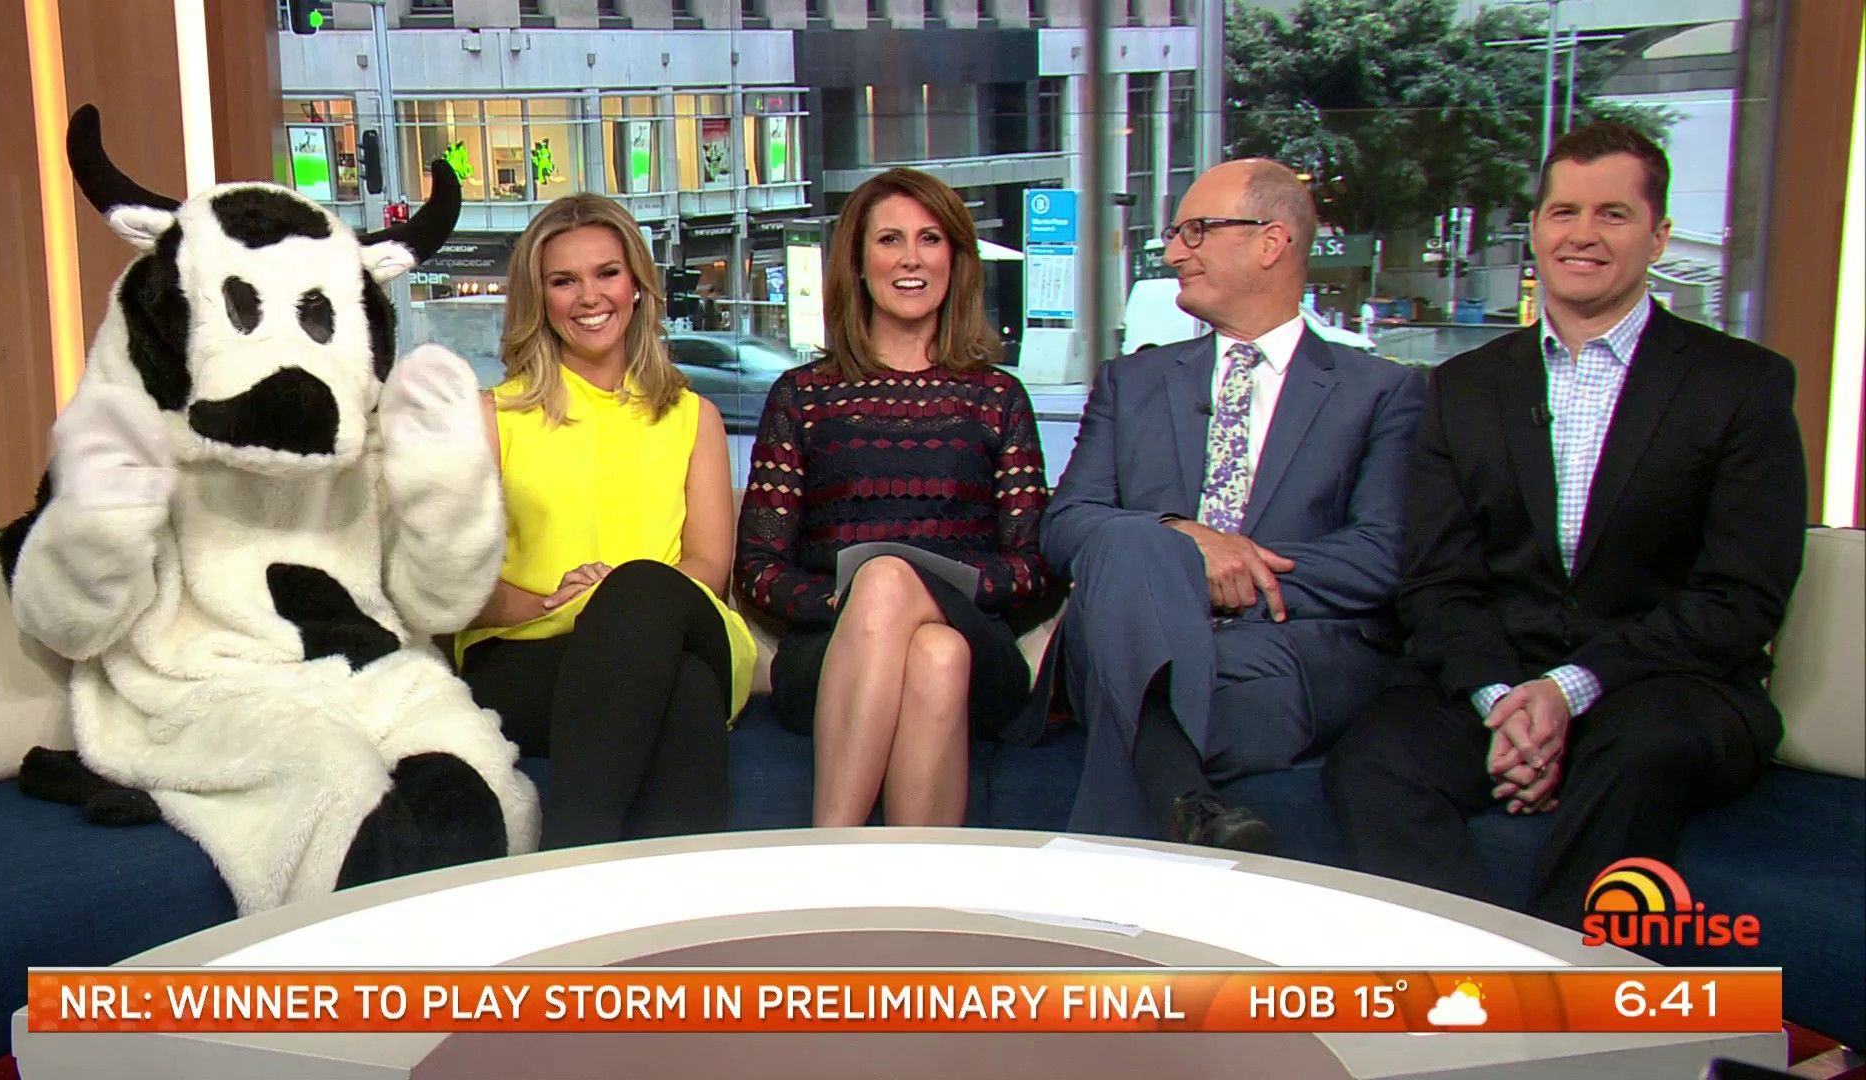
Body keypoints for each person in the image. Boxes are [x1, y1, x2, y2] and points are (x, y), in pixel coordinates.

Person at [1323, 123, 1807, 928]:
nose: (1583, 234)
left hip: (1664, 687)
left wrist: (1569, 690)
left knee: (1641, 752)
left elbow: (1740, 597)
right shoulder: (1462, 387)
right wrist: (1505, 701)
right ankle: (1465, 983)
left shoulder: (1741, 385)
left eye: (1613, 214)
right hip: (1500, 677)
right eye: (1564, 212)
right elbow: (1438, 581)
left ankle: (1561, 996)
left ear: (1658, 236)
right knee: (1377, 759)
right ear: (1537, 229)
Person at [1024, 158, 1425, 849]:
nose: (1174, 253)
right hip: (1126, 631)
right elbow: (1065, 525)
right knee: (1134, 541)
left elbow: (1379, 555)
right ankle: (1187, 809)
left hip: (1282, 648)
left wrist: (1233, 571)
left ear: (1271, 242)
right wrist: (1183, 544)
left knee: (1144, 684)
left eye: (1197, 231)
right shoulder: (1131, 382)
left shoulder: (1382, 391)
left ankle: (1162, 814)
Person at [734, 167, 1050, 827]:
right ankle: (913, 883)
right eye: (890, 240)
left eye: (930, 239)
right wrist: (851, 602)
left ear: (955, 261)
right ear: (858, 262)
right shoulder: (803, 396)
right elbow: (758, 569)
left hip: (979, 643)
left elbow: (1030, 568)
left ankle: (827, 850)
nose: (911, 258)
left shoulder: (998, 397)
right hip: (830, 651)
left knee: (912, 606)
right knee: (933, 653)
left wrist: (919, 590)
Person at [455, 194, 758, 850]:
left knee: (641, 591)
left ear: (637, 286)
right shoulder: (490, 417)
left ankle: (566, 865)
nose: (589, 296)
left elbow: (708, 566)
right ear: (539, 299)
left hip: (680, 624)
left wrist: (619, 596)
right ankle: (682, 906)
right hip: (528, 653)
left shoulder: (693, 416)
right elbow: (458, 582)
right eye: (564, 281)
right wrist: (559, 602)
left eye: (607, 273)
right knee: (686, 693)